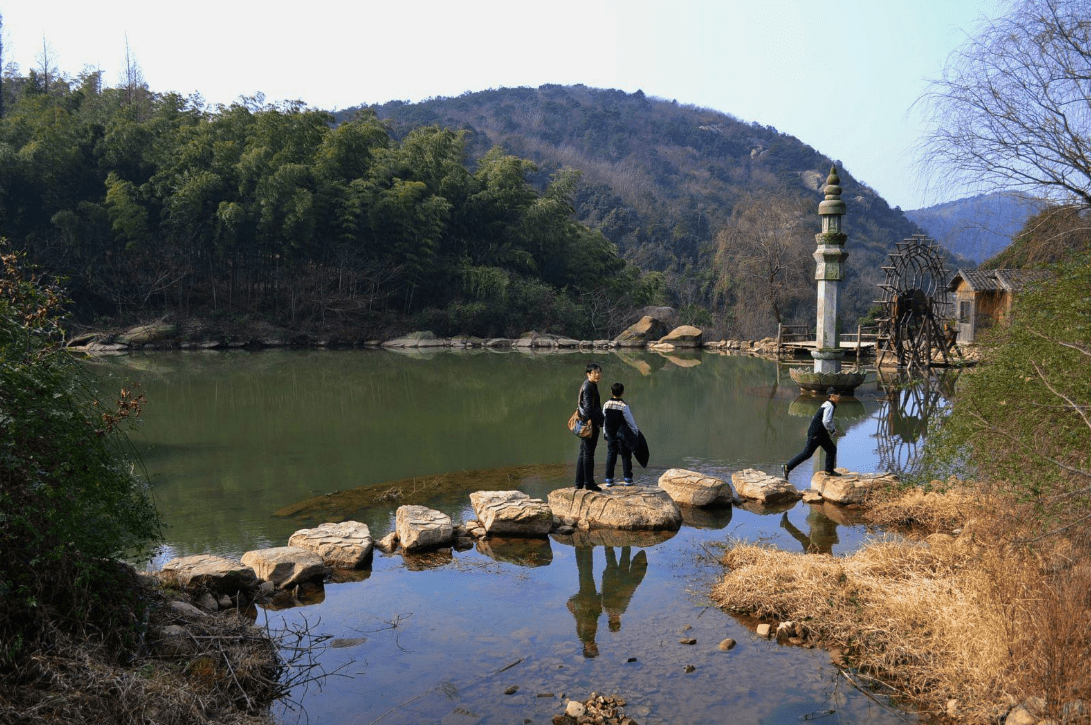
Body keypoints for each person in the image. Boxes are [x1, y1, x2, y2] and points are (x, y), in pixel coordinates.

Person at [783, 387, 842, 479]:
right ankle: (787, 467)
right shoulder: (829, 406)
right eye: (838, 395)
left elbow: (825, 420)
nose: (840, 397)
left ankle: (829, 471)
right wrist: (832, 430)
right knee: (807, 453)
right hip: (816, 433)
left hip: (821, 433)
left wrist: (832, 430)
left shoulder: (828, 404)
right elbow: (826, 421)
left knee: (831, 449)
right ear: (832, 396)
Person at [602, 382, 640, 486]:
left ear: (611, 392)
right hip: (623, 435)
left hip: (611, 434)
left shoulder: (606, 404)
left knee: (611, 456)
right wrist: (636, 433)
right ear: (623, 392)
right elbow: (630, 422)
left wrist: (605, 434)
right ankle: (628, 479)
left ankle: (609, 479)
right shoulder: (624, 406)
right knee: (626, 456)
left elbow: (604, 421)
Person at [575, 363, 604, 491]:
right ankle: (589, 483)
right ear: (588, 374)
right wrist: (598, 422)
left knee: (583, 453)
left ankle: (579, 483)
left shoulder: (592, 385)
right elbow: (588, 409)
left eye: (599, 372)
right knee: (588, 454)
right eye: (594, 373)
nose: (597, 375)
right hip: (590, 425)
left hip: (589, 424)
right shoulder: (588, 387)